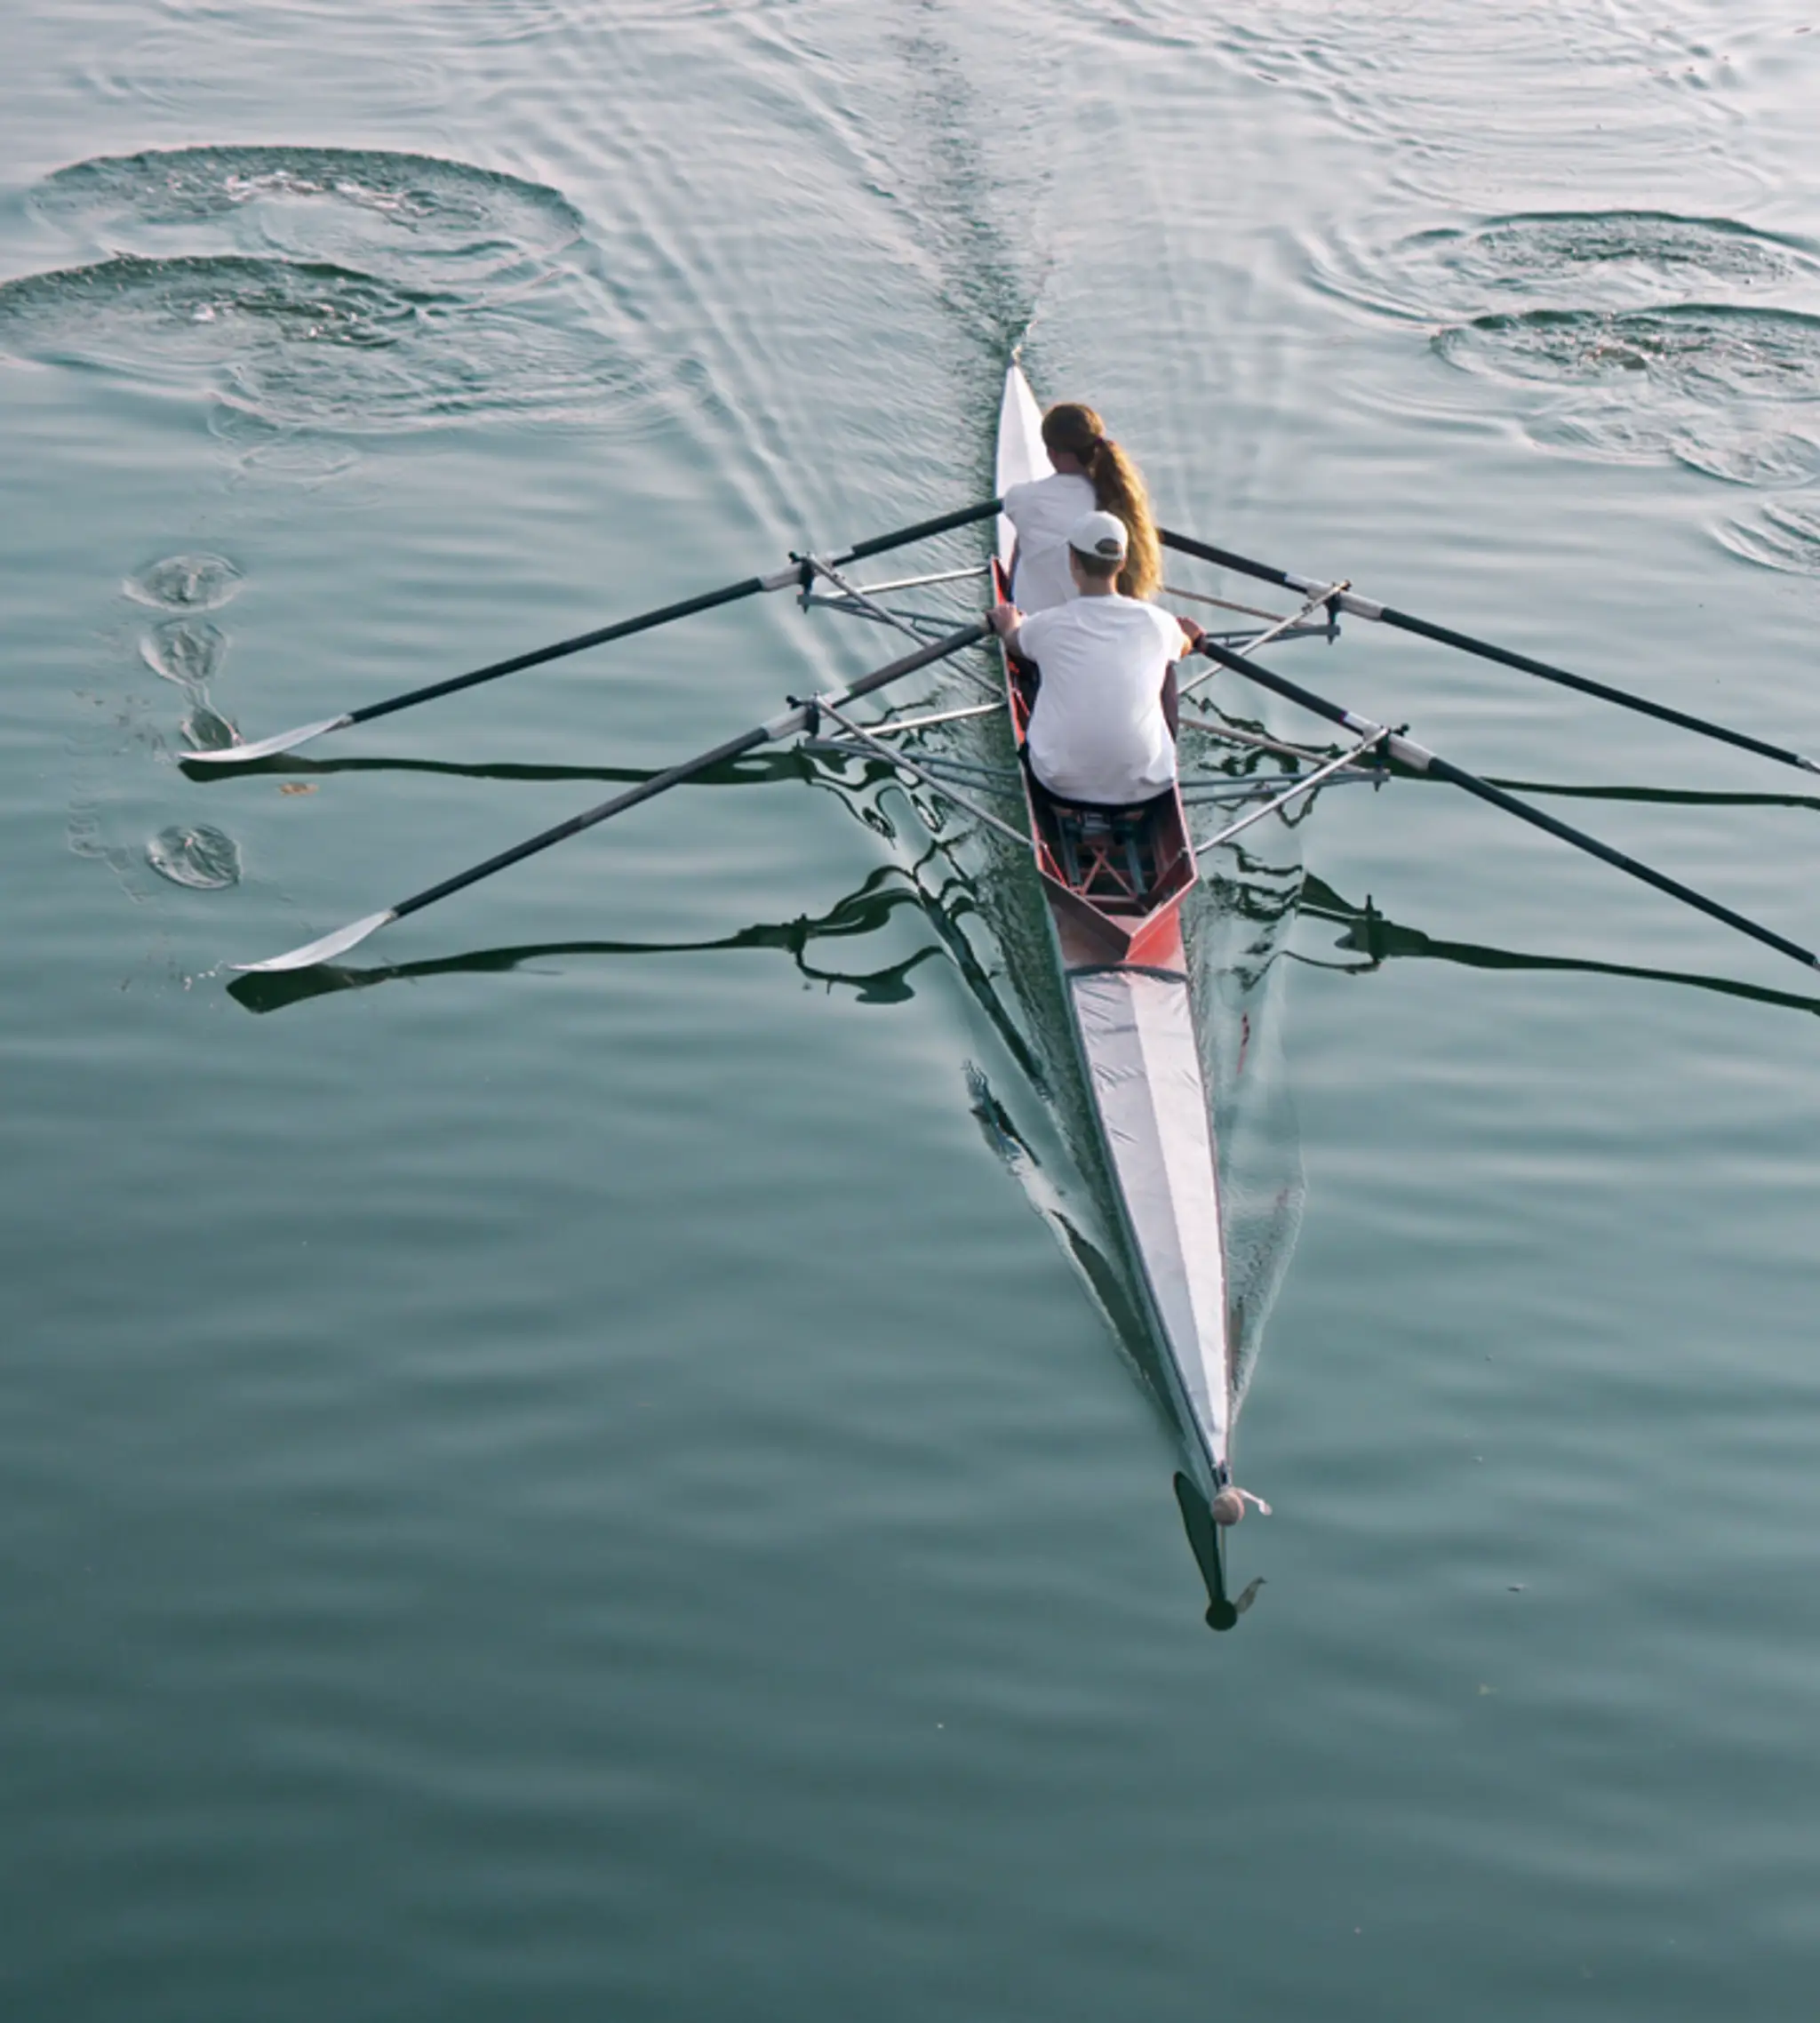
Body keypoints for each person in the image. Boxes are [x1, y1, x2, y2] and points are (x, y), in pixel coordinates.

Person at [988, 509, 1203, 808]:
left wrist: (1008, 623)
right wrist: (1189, 635)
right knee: (1166, 664)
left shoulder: (1049, 623)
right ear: (1123, 563)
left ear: (1072, 561)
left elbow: (1014, 643)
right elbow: (1183, 645)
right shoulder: (1158, 623)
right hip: (1148, 794)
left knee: (1038, 662)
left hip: (1056, 786)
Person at [1000, 399, 1163, 612]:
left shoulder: (1021, 497)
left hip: (1033, 630)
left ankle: (1011, 600)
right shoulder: (1118, 501)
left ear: (1052, 453)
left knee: (1024, 533)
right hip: (1098, 620)